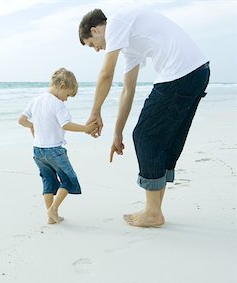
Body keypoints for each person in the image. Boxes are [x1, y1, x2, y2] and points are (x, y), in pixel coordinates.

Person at [78, 7, 210, 227]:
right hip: (198, 71)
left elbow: (106, 74)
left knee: (145, 136)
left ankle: (152, 213)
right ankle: (155, 208)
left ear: (96, 30)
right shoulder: (130, 45)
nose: (97, 50)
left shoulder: (117, 22)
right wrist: (117, 133)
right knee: (165, 139)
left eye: (92, 44)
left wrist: (95, 112)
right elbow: (127, 90)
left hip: (180, 72)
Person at [18, 68, 97, 224]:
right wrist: (86, 129)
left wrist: (32, 126)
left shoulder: (35, 100)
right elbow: (66, 124)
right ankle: (53, 209)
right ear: (61, 85)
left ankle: (51, 217)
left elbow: (21, 120)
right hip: (54, 150)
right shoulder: (57, 104)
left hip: (38, 150)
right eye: (67, 95)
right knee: (68, 180)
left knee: (48, 180)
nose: (66, 99)